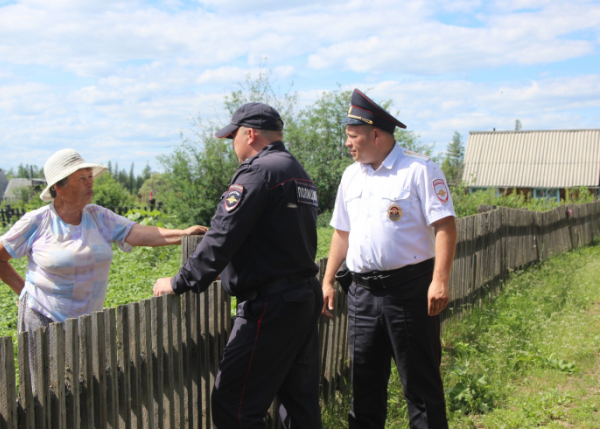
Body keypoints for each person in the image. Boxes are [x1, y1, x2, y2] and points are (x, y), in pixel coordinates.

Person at [153, 103, 323, 429]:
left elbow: (221, 234)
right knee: (298, 404)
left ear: (249, 133)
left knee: (234, 404)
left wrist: (180, 281)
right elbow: (274, 237)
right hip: (301, 296)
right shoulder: (297, 171)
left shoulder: (258, 173)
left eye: (232, 137)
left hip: (271, 304)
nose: (232, 145)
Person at [0, 148, 207, 379]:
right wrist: (24, 292)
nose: (90, 183)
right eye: (81, 178)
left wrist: (183, 234)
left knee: (84, 386)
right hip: (44, 318)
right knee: (45, 392)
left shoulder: (99, 216)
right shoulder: (37, 221)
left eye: (90, 177)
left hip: (88, 320)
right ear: (58, 188)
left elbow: (137, 232)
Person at [321, 89, 457, 429]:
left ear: (376, 134)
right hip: (362, 295)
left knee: (421, 387)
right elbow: (342, 232)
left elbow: (445, 227)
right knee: (364, 388)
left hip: (409, 292)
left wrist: (439, 280)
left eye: (353, 136)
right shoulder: (351, 175)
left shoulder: (419, 170)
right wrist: (328, 278)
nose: (347, 144)